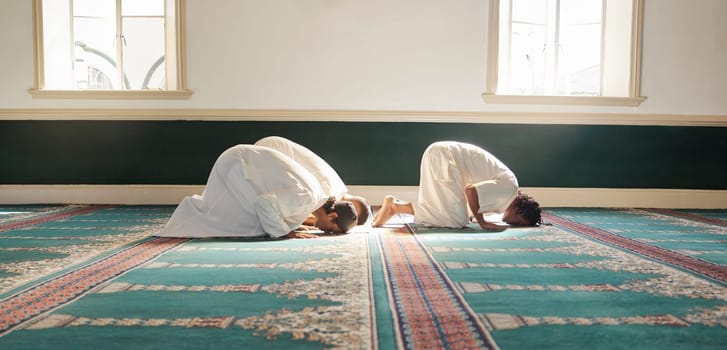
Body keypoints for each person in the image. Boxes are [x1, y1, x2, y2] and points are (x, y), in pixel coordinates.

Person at [157, 144, 358, 239]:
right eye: (330, 229)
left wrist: (291, 226)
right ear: (332, 216)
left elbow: (279, 205)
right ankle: (191, 212)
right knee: (249, 225)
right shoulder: (308, 197)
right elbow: (265, 203)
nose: (323, 231)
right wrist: (286, 233)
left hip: (241, 162)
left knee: (260, 222)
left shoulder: (313, 197)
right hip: (237, 165)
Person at [373, 141, 541, 231]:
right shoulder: (508, 191)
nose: (514, 224)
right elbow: (471, 191)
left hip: (442, 154)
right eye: (519, 222)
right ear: (520, 212)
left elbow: (471, 203)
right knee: (455, 220)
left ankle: (396, 205)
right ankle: (395, 207)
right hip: (444, 157)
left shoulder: (507, 192)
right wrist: (483, 223)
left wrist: (475, 216)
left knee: (457, 214)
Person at [254, 136, 372, 226]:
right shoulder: (331, 193)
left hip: (271, 146)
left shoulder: (338, 187)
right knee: (267, 211)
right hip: (270, 151)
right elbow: (304, 211)